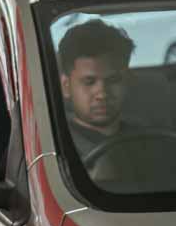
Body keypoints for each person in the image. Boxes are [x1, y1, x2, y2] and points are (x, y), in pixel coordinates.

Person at [58, 19, 136, 159]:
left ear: (127, 82)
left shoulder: (147, 139)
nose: (102, 94)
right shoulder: (55, 147)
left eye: (113, 80)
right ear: (66, 86)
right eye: (89, 82)